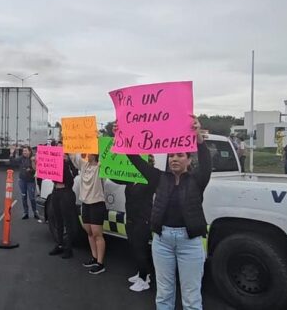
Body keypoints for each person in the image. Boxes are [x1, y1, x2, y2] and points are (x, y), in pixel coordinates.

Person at [127, 117, 211, 310]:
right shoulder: (159, 178)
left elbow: (206, 163)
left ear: (189, 160)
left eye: (180, 155)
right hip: (162, 241)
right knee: (164, 294)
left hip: (189, 243)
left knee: (191, 297)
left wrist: (198, 137)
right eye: (172, 155)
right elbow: (135, 160)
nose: (174, 158)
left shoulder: (198, 180)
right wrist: (121, 135)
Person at [69, 152, 107, 275]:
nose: (86, 155)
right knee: (89, 233)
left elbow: (110, 160)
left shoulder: (101, 167)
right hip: (85, 204)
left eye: (89, 153)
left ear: (95, 155)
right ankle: (94, 258)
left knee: (97, 234)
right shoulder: (84, 166)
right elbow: (73, 155)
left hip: (97, 204)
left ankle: (100, 263)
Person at [124, 153, 157, 292]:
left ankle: (144, 280)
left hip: (142, 219)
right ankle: (142, 273)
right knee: (134, 246)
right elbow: (116, 178)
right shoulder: (132, 177)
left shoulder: (150, 180)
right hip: (131, 218)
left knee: (140, 248)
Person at [48, 142, 79, 259]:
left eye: (61, 147)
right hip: (56, 192)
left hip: (66, 192)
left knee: (68, 221)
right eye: (58, 147)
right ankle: (59, 244)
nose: (59, 149)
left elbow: (74, 175)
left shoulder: (69, 162)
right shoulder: (54, 161)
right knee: (58, 219)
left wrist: (67, 162)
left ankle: (69, 248)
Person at [10, 145, 39, 220]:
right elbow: (13, 162)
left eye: (26, 151)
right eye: (23, 151)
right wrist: (11, 153)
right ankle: (25, 213)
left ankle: (35, 212)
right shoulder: (21, 158)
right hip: (22, 181)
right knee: (24, 197)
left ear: (29, 151)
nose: (24, 152)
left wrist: (31, 170)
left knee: (32, 198)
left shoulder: (33, 158)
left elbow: (37, 169)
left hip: (31, 181)